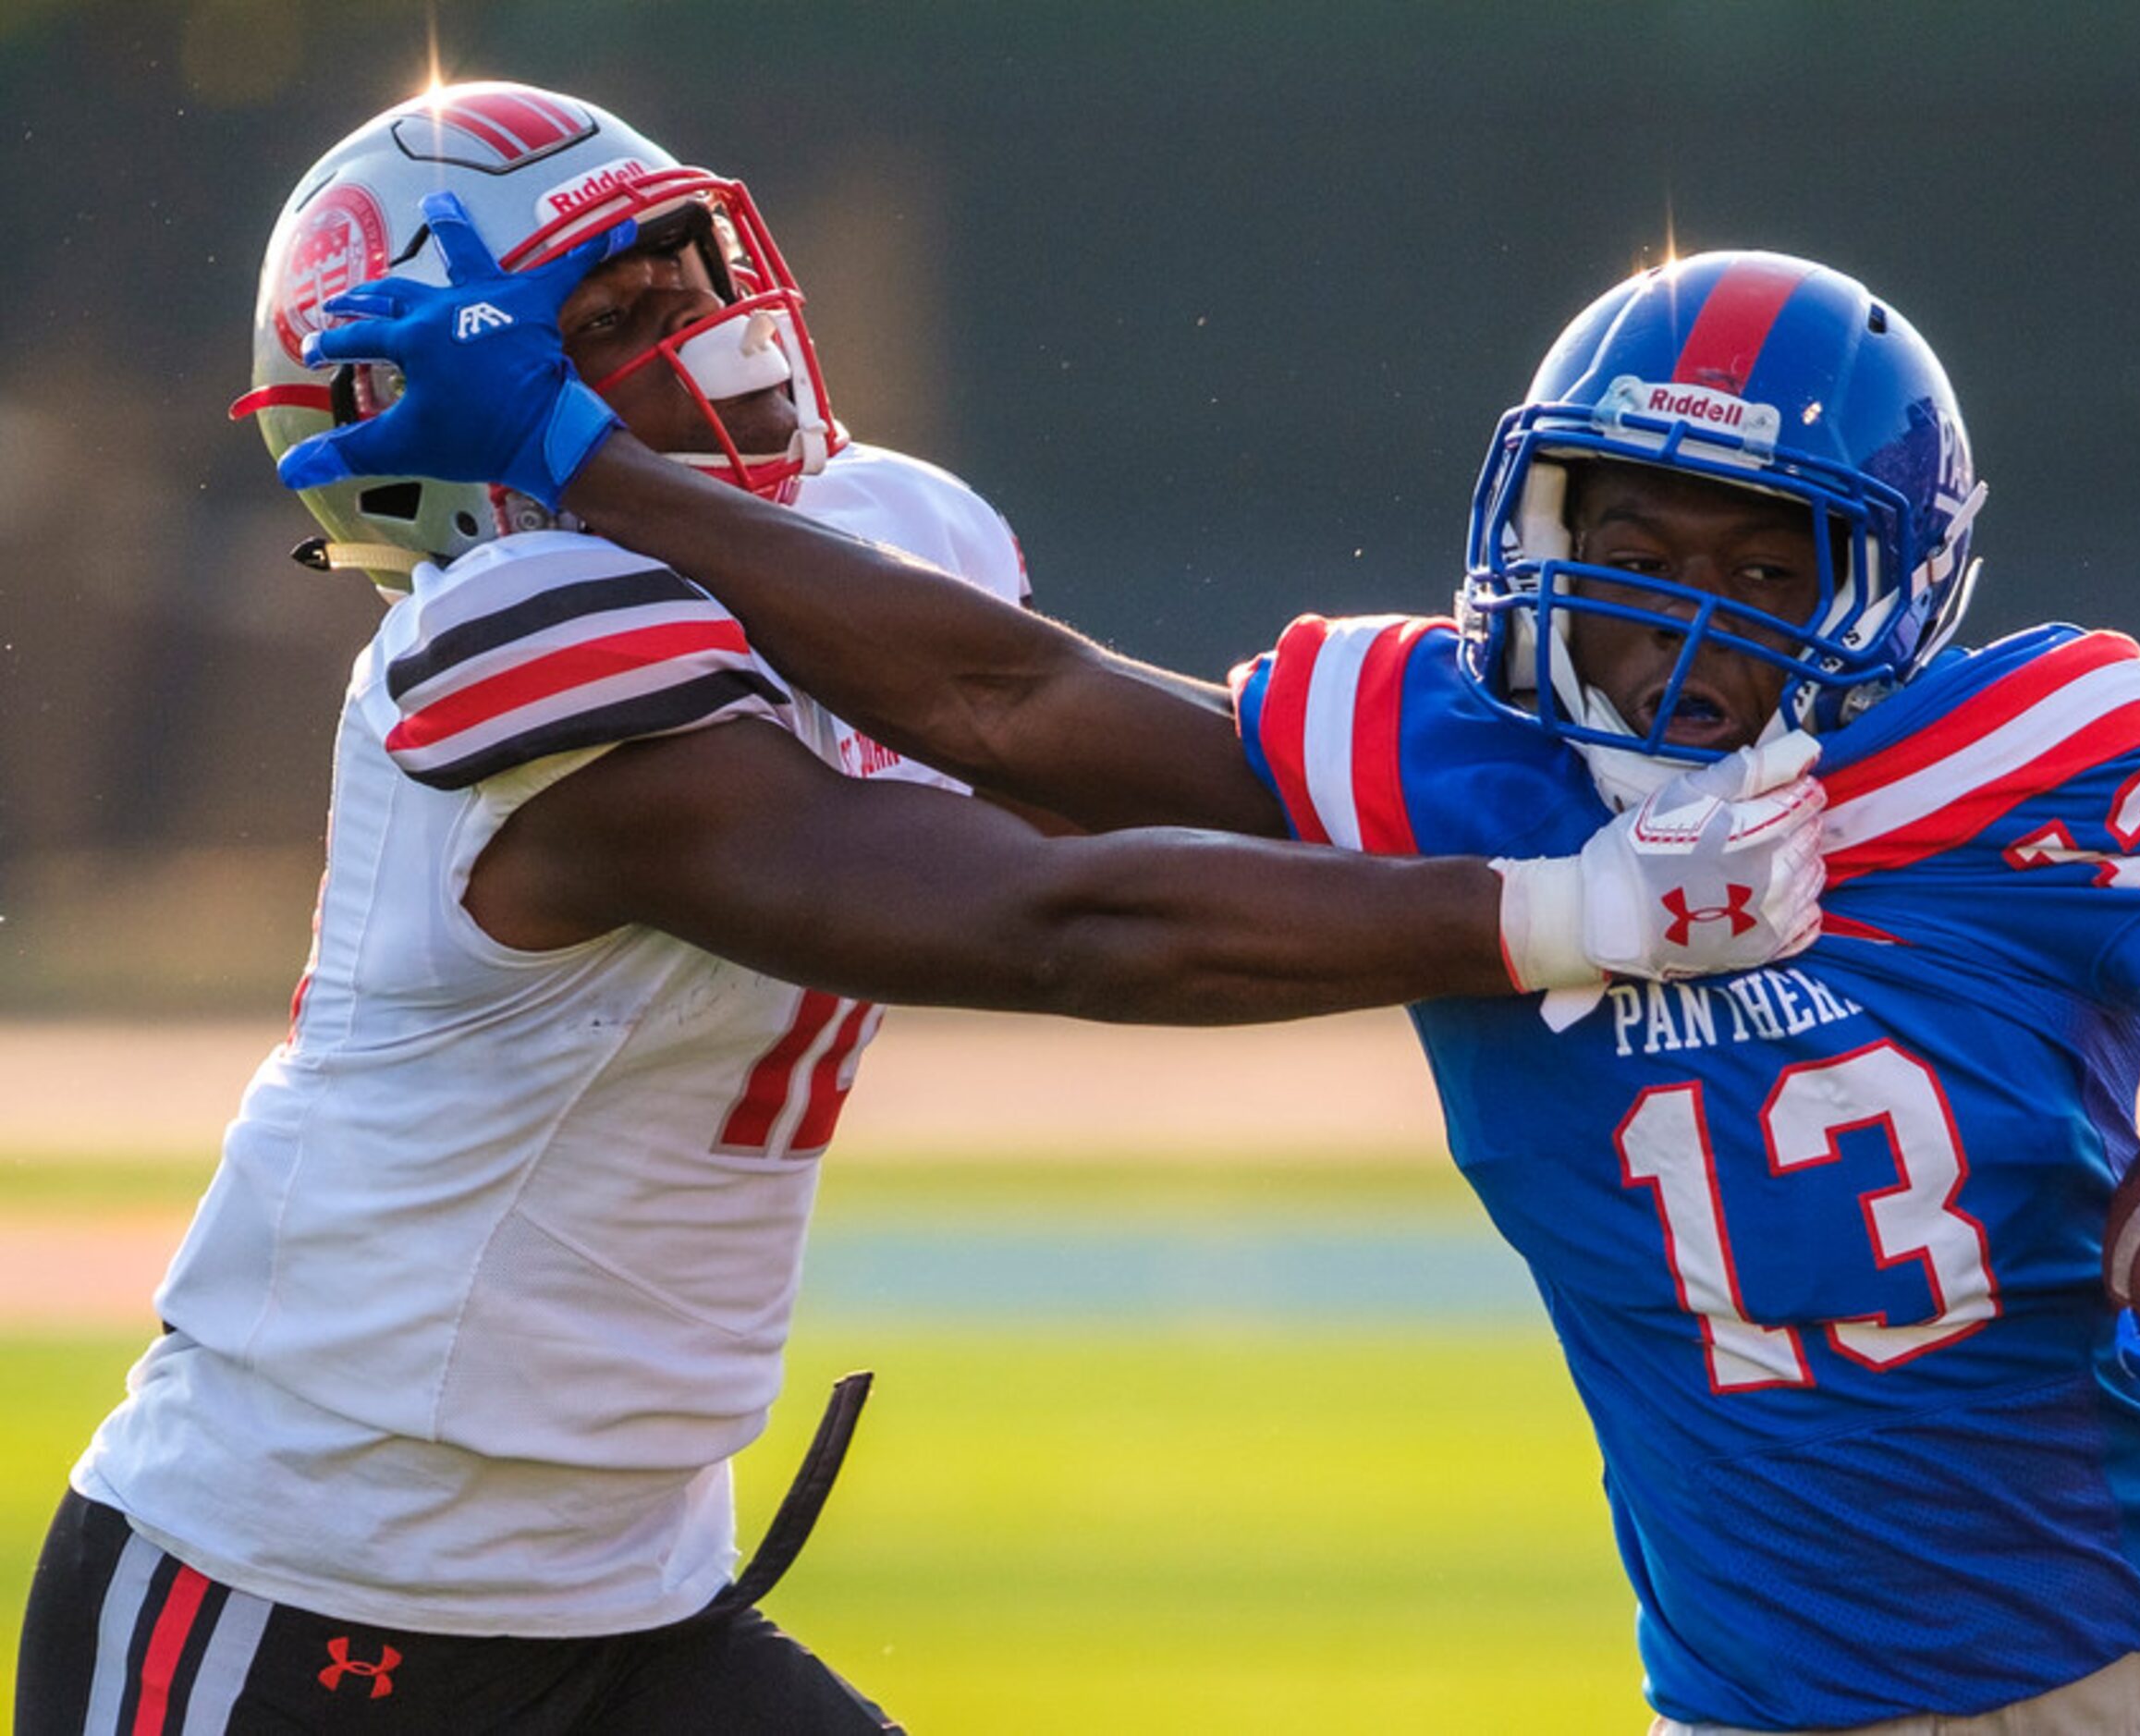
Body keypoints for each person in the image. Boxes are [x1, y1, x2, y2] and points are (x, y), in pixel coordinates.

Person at [244, 209, 2140, 1732]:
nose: (1657, 594)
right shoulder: (1442, 748)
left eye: (1745, 552)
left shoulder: (2034, 756)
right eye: (1613, 526)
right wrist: (589, 457)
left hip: (2113, 1695)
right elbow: (1013, 716)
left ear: (1888, 579)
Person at [10, 88, 1836, 1736]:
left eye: (683, 274)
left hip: (627, 1600)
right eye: (607, 326)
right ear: (422, 420)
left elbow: (1082, 741)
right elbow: (1051, 923)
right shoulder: (501, 637)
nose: (698, 337)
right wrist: (1565, 915)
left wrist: (1588, 762)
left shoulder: (872, 538)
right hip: (297, 1607)